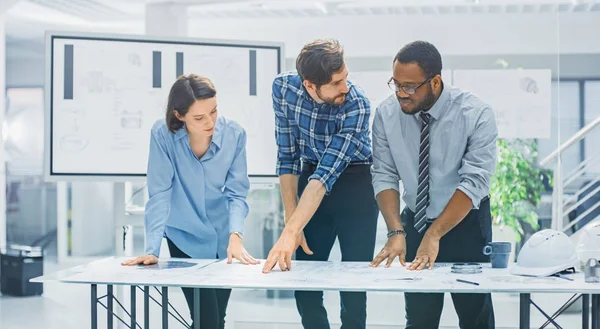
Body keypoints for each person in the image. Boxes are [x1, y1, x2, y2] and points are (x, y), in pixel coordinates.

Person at [369, 41, 498, 329]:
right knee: (419, 318)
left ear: (435, 81)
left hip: (466, 222)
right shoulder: (386, 115)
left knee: (475, 315)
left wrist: (435, 234)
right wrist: (395, 230)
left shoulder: (476, 114)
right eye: (396, 84)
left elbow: (475, 181)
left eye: (410, 87)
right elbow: (385, 174)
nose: (401, 94)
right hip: (414, 222)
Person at [122, 74, 259, 329]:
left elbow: (236, 193)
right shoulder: (162, 135)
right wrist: (152, 250)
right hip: (184, 235)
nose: (210, 123)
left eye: (214, 112)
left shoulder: (235, 134)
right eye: (199, 117)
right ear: (179, 115)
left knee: (218, 317)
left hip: (222, 238)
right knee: (206, 318)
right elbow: (160, 193)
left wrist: (235, 235)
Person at [263, 39, 379, 329]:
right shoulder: (284, 89)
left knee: (353, 287)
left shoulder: (357, 104)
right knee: (303, 281)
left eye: (346, 77)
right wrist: (292, 220)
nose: (346, 87)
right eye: (337, 82)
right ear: (310, 85)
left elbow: (325, 178)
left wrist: (291, 231)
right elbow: (287, 156)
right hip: (309, 175)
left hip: (356, 181)